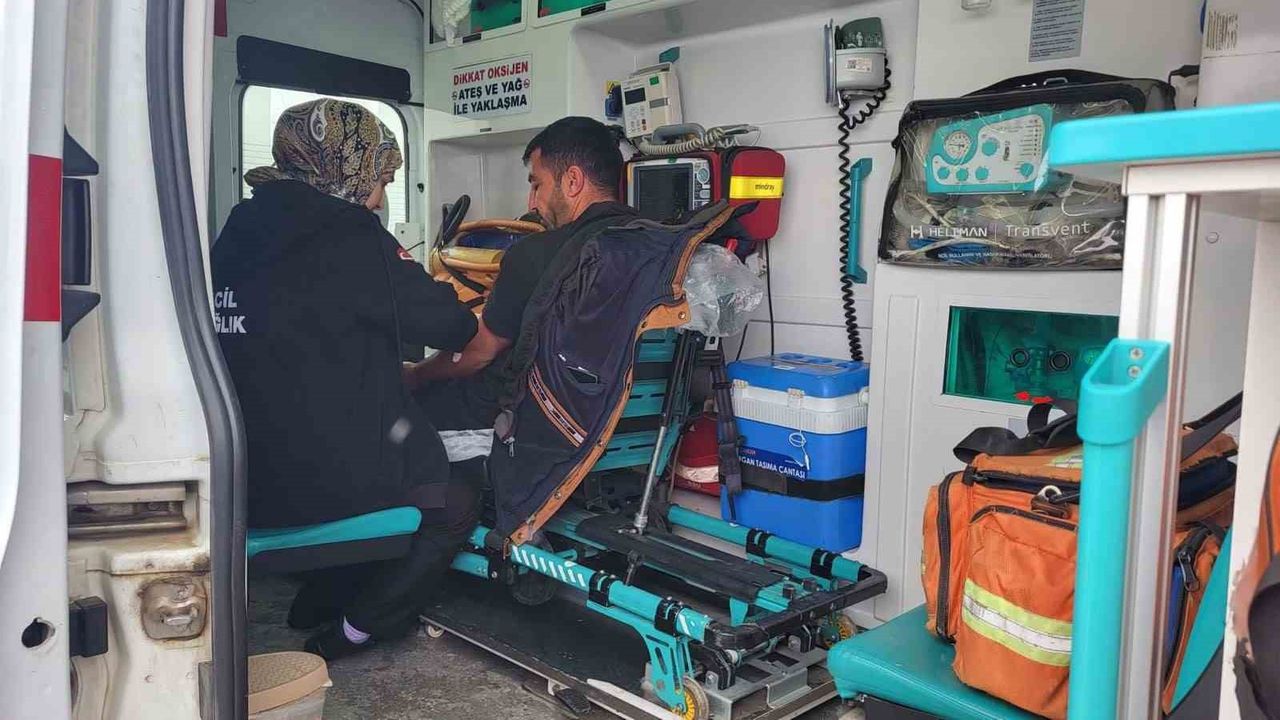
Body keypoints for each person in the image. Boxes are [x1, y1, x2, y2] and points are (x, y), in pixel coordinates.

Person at [213, 98, 480, 660]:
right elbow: (452, 325)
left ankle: (321, 595)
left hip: (244, 470)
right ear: (347, 169)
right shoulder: (349, 231)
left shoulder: (242, 224)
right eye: (380, 178)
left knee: (370, 447)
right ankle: (359, 627)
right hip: (315, 480)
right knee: (452, 503)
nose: (382, 196)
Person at [406, 116, 637, 432]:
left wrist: (417, 373)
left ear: (573, 181)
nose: (532, 202)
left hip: (520, 415)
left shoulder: (535, 254)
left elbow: (479, 353)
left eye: (537, 184)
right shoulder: (652, 245)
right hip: (614, 413)